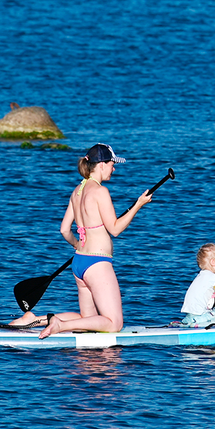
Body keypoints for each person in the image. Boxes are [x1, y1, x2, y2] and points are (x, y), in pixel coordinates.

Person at [37, 144, 154, 339]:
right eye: (112, 164)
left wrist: (77, 244)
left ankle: (37, 319)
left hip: (79, 262)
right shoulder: (101, 192)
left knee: (88, 321)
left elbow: (64, 230)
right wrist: (138, 205)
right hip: (97, 263)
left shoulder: (77, 191)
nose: (114, 168)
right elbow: (115, 229)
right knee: (114, 323)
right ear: (101, 165)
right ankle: (59, 325)